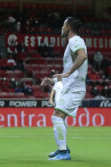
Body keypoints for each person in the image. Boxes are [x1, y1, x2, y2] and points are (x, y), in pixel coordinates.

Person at [41, 17, 88, 160]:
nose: (61, 28)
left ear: (68, 27)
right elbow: (68, 70)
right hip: (71, 86)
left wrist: (68, 72)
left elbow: (83, 56)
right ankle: (62, 147)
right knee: (60, 117)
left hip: (75, 89)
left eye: (63, 25)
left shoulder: (75, 41)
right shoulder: (72, 43)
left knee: (57, 116)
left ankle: (63, 152)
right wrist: (54, 80)